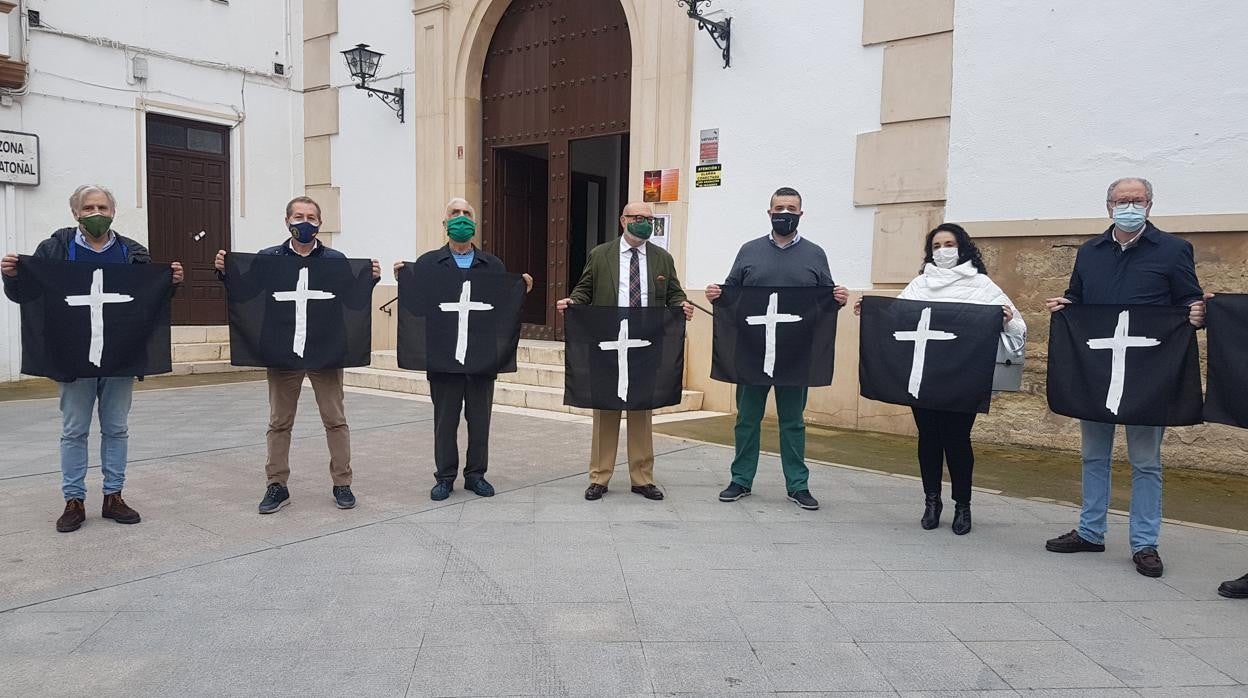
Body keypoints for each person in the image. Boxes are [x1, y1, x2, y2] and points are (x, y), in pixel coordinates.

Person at [1043, 177, 1205, 578]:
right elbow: (1078, 296)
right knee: (1093, 455)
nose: (1129, 206)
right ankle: (1090, 531)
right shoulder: (1090, 252)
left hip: (1148, 372)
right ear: (1108, 206)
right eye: (1121, 200)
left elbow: (1189, 299)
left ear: (1149, 205)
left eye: (1137, 199)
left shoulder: (1173, 250)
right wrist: (1066, 305)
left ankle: (1145, 543)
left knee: (1146, 461)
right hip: (1098, 369)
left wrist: (1197, 314)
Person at [2, 184, 184, 532]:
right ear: (76, 213)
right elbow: (29, 293)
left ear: (113, 212)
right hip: (73, 356)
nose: (96, 213)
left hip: (120, 356)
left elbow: (149, 300)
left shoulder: (132, 253)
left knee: (116, 428)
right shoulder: (55, 249)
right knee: (74, 430)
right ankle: (74, 499)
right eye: (88, 208)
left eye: (102, 207)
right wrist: (11, 277)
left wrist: (171, 282)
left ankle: (114, 495)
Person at [854, 223, 1025, 534]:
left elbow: (1018, 329)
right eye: (936, 246)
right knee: (929, 439)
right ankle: (932, 502)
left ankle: (963, 505)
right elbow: (895, 316)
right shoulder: (920, 284)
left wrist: (1008, 321)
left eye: (949, 244)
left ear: (962, 248)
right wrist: (869, 312)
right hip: (925, 376)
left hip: (962, 376)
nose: (942, 251)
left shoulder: (981, 284)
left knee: (957, 440)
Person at [214, 196, 380, 515]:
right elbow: (247, 292)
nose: (305, 222)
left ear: (320, 223)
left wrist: (368, 280)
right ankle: (276, 484)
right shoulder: (269, 258)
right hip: (283, 350)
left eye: (311, 217)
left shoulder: (334, 260)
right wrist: (226, 272)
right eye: (299, 216)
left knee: (335, 419)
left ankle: (342, 482)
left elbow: (352, 301)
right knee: (279, 421)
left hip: (325, 350)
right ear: (287, 221)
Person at [705, 187, 848, 510]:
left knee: (793, 421)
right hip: (752, 352)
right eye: (779, 208)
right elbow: (732, 291)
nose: (785, 213)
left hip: (796, 355)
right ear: (769, 213)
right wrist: (717, 294)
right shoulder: (749, 251)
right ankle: (741, 479)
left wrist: (838, 299)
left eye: (791, 209)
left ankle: (798, 484)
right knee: (747, 419)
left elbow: (824, 298)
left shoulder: (815, 254)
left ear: (801, 214)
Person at [395, 198, 532, 501]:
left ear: (475, 222)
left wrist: (520, 291)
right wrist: (404, 282)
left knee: (480, 420)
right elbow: (418, 309)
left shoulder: (492, 265)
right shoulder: (429, 263)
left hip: (481, 356)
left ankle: (476, 475)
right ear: (444, 223)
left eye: (466, 213)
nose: (461, 218)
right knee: (445, 421)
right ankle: (445, 477)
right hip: (444, 356)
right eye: (454, 213)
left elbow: (500, 310)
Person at [556, 201, 694, 501]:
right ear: (623, 220)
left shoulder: (662, 258)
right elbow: (584, 289)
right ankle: (599, 477)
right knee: (606, 408)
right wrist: (573, 303)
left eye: (649, 219)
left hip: (646, 344)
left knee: (641, 410)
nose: (644, 222)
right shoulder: (600, 255)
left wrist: (681, 304)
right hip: (608, 342)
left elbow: (674, 293)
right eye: (638, 217)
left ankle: (642, 478)